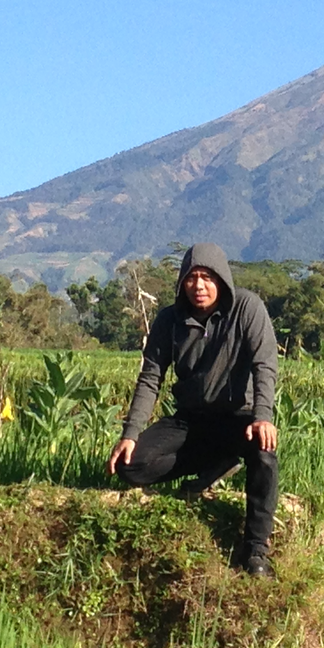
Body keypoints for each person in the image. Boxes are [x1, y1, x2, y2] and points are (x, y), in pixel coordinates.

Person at [107, 243, 279, 576]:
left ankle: (256, 548)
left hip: (237, 418)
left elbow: (264, 366)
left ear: (222, 279)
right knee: (132, 467)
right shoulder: (170, 320)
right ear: (182, 282)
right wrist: (130, 434)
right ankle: (215, 462)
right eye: (191, 277)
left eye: (207, 277)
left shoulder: (246, 307)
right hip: (191, 420)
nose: (199, 286)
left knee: (264, 452)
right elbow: (151, 377)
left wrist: (262, 417)